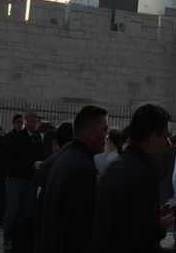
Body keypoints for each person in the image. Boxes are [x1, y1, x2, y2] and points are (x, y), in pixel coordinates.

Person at [88, 102, 174, 253]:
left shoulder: (114, 167)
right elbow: (142, 242)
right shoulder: (143, 176)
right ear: (153, 138)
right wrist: (158, 227)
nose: (168, 144)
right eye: (165, 137)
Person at [35, 104, 108, 253]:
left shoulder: (66, 157)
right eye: (105, 129)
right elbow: (78, 230)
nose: (107, 135)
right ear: (91, 134)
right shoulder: (83, 169)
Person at [0, 109, 43, 251]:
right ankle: (7, 240)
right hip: (16, 178)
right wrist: (7, 174)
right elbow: (6, 156)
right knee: (12, 212)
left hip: (30, 179)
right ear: (26, 120)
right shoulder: (15, 136)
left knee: (26, 212)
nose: (35, 122)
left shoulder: (37, 137)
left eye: (37, 119)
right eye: (32, 119)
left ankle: (21, 239)